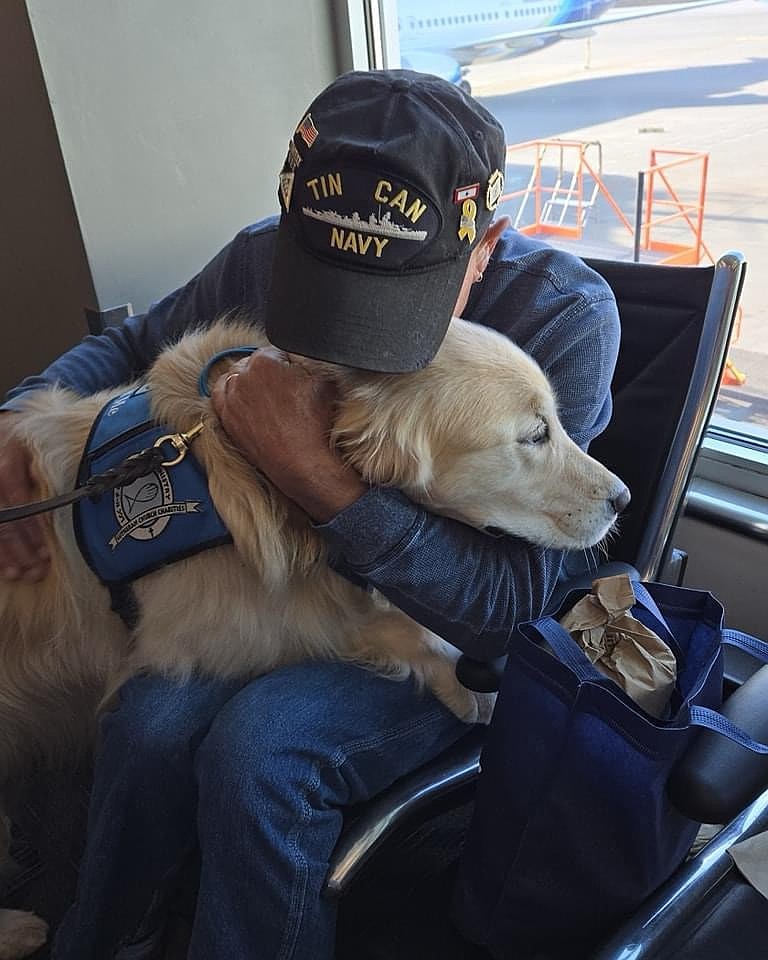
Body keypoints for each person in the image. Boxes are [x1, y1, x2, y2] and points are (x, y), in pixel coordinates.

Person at [0, 70, 620, 958]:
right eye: (323, 284)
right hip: (302, 592)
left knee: (262, 749)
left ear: (483, 246)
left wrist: (325, 485)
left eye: (389, 300)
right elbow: (130, 346)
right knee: (147, 722)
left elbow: (505, 605)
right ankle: (109, 937)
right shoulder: (260, 255)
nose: (343, 335)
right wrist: (13, 421)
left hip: (446, 631)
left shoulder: (560, 315)